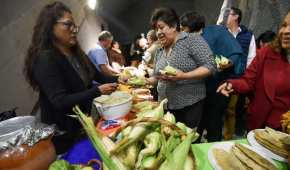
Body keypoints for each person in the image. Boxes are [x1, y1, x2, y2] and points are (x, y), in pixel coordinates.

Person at [23, 2, 118, 154]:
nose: (74, 30)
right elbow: (60, 101)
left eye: (75, 26)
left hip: (82, 124)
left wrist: (121, 79)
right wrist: (97, 91)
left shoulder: (76, 53)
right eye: (68, 25)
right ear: (50, 26)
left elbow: (98, 75)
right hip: (63, 133)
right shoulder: (45, 59)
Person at [217, 11, 290, 131]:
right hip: (260, 126)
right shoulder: (267, 53)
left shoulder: (247, 35)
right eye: (284, 25)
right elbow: (248, 81)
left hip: (284, 131)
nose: (286, 31)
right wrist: (232, 84)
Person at [180, 11, 243, 142]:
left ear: (194, 27)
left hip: (216, 89)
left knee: (214, 125)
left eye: (184, 29)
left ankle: (213, 153)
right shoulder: (185, 39)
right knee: (194, 128)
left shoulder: (217, 32)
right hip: (196, 92)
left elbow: (235, 53)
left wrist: (226, 63)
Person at [147, 8, 216, 128]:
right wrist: (145, 81)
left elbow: (210, 65)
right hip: (166, 106)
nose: (158, 32)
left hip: (189, 105)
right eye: (156, 29)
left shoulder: (191, 40)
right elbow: (157, 77)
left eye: (161, 27)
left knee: (186, 140)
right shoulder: (160, 50)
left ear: (173, 26)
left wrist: (184, 76)